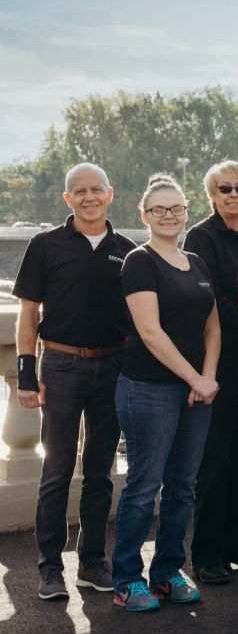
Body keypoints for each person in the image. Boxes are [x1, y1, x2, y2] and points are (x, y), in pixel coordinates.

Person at [15, 162, 135, 600]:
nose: (88, 197)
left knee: (101, 471)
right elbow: (28, 314)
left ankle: (91, 563)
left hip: (114, 368)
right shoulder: (45, 245)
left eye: (95, 190)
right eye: (79, 191)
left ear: (110, 193)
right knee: (56, 471)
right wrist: (26, 373)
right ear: (68, 199)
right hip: (61, 368)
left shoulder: (127, 250)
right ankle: (50, 568)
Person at [109, 174, 220, 611]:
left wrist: (206, 378)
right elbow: (150, 332)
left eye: (176, 209)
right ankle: (127, 580)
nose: (169, 216)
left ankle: (168, 572)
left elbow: (214, 325)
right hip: (147, 389)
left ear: (186, 213)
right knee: (143, 485)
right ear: (144, 216)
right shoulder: (139, 261)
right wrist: (195, 379)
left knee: (182, 486)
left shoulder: (196, 260)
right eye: (159, 209)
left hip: (196, 391)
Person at [186, 160, 238, 585]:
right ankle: (205, 554)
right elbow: (208, 298)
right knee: (213, 462)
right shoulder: (199, 237)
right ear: (212, 195)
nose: (233, 194)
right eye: (224, 189)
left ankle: (237, 543)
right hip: (217, 364)